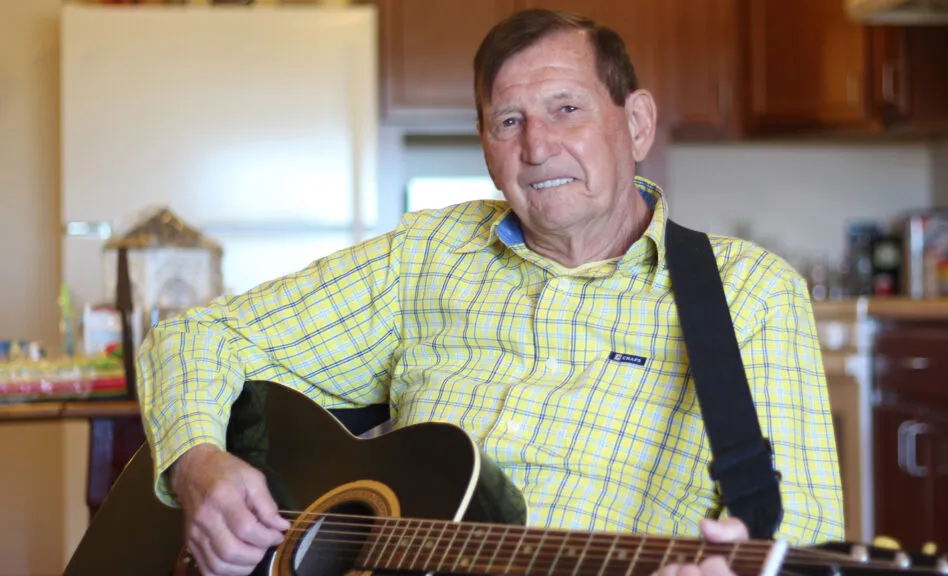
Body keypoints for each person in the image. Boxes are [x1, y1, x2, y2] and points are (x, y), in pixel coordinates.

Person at [136, 8, 845, 576]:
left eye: (566, 108)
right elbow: (196, 336)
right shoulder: (426, 256)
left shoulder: (747, 294)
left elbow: (804, 539)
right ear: (485, 145)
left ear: (635, 124)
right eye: (509, 121)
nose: (536, 146)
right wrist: (198, 463)